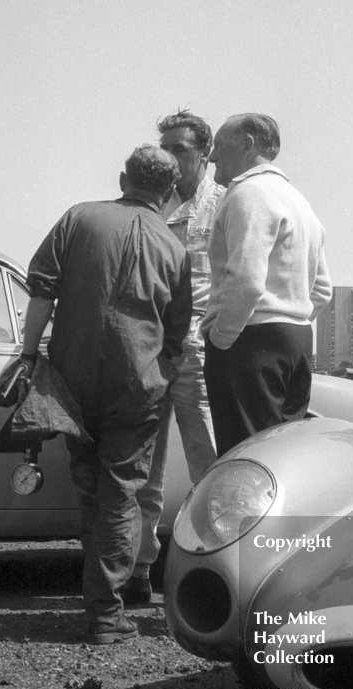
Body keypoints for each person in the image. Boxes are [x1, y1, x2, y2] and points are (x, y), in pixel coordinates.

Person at [19, 146, 191, 644]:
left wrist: (30, 358)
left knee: (91, 483)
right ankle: (105, 613)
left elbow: (42, 294)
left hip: (73, 375)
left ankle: (99, 602)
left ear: (122, 177)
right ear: (171, 193)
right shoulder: (176, 249)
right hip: (137, 381)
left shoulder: (77, 218)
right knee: (122, 491)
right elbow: (177, 337)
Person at [126, 112, 225, 605]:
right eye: (164, 147)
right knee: (146, 466)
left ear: (204, 154)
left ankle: (213, 574)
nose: (170, 156)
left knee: (210, 467)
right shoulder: (150, 202)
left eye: (180, 149)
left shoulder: (224, 205)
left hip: (196, 353)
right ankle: (142, 568)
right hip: (149, 351)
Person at [201, 113, 332, 457]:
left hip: (250, 341)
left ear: (247, 145)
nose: (212, 156)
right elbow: (321, 291)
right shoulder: (299, 201)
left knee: (245, 459)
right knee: (280, 459)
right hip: (297, 341)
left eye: (218, 145)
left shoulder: (248, 194)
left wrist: (221, 338)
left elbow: (245, 281)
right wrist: (291, 320)